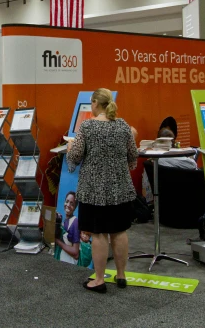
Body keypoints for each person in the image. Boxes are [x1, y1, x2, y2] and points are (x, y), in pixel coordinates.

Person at [66, 88, 137, 294]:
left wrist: (70, 149)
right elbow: (133, 156)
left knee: (98, 234)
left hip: (93, 191)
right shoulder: (123, 126)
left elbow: (76, 156)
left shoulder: (87, 126)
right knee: (119, 231)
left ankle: (99, 279)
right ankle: (121, 275)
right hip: (120, 190)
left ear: (96, 103)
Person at [54, 191, 80, 264]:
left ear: (75, 207)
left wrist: (57, 241)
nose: (68, 205)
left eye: (72, 204)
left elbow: (76, 253)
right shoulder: (65, 221)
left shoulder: (75, 222)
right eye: (67, 201)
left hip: (69, 264)